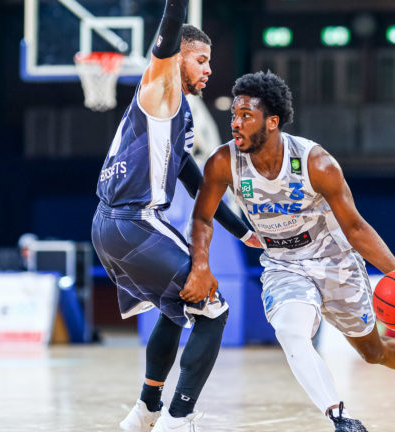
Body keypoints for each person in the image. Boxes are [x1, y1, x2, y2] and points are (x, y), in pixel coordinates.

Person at [185, 71, 395, 432]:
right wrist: (201, 265)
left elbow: (356, 227)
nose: (235, 124)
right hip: (284, 265)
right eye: (233, 116)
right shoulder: (224, 162)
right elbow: (202, 217)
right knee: (291, 331)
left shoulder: (317, 163)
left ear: (272, 122)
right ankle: (341, 419)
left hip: (336, 262)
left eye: (246, 117)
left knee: (372, 352)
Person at [91, 2, 260, 430]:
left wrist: (242, 232)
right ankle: (178, 418)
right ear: (178, 57)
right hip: (133, 223)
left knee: (176, 309)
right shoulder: (159, 87)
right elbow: (166, 35)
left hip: (109, 226)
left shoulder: (177, 115)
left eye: (209, 62)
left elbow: (196, 183)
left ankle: (146, 410)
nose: (207, 70)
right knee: (214, 310)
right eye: (200, 60)